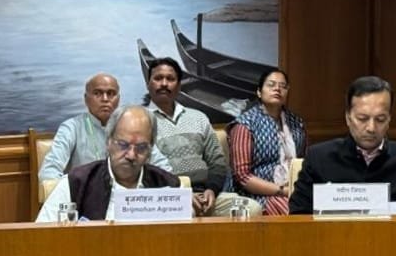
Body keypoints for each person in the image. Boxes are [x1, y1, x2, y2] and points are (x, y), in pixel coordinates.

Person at [289, 76, 396, 215]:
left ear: (389, 120)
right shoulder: (319, 158)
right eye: (362, 118)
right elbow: (297, 215)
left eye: (380, 119)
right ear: (348, 118)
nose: (371, 128)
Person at [143, 57, 259, 218]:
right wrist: (181, 193)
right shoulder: (140, 121)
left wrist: (212, 190)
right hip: (167, 197)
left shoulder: (198, 118)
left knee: (252, 209)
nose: (164, 83)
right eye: (158, 78)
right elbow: (145, 170)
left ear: (179, 85)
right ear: (148, 84)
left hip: (206, 195)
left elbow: (217, 162)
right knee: (186, 213)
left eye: (170, 79)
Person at [36, 105, 180, 222]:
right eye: (123, 145)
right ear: (108, 142)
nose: (131, 155)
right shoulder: (76, 183)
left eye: (141, 147)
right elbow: (43, 236)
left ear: (150, 149)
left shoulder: (168, 185)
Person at [38, 72, 171, 180]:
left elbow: (164, 168)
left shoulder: (133, 126)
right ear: (86, 98)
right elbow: (48, 173)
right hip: (85, 198)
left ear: (118, 99)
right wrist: (78, 187)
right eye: (97, 93)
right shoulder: (72, 128)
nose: (105, 99)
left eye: (111, 93)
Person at [226, 68, 307, 215]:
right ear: (259, 92)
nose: (277, 89)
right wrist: (283, 191)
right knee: (295, 210)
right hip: (256, 195)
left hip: (294, 189)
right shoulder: (245, 124)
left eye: (283, 86)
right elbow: (243, 176)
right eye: (271, 85)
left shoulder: (296, 123)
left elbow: (304, 162)